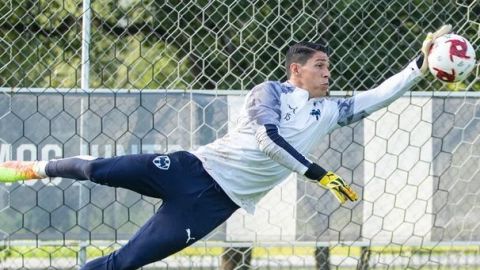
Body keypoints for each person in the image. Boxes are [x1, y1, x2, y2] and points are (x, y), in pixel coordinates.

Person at [0, 25, 451, 270]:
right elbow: (266, 140)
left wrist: (421, 62)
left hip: (213, 206)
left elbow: (377, 95)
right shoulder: (269, 93)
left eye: (328, 66)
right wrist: (319, 174)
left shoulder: (330, 110)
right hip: (189, 169)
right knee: (97, 169)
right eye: (320, 65)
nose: (327, 73)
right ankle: (32, 169)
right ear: (297, 70)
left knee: (127, 261)